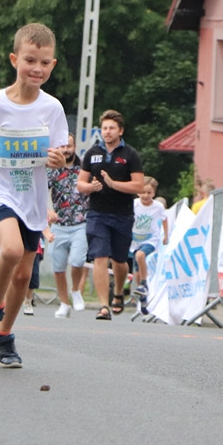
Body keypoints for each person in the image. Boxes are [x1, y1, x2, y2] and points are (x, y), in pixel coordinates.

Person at [0, 22, 68, 368]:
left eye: (44, 63)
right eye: (30, 60)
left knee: (23, 276)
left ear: (53, 65)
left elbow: (63, 150)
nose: (37, 69)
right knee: (12, 248)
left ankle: (4, 334)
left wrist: (61, 158)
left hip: (32, 197)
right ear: (14, 59)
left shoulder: (52, 108)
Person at [78, 109, 144, 320]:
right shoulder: (92, 153)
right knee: (100, 256)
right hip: (97, 213)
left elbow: (139, 185)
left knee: (119, 262)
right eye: (104, 128)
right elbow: (80, 183)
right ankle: (103, 305)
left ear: (120, 131)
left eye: (111, 128)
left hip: (122, 215)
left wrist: (113, 184)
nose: (107, 132)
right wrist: (90, 188)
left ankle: (118, 293)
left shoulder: (130, 155)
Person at [47, 133, 90, 318]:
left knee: (78, 260)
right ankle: (64, 303)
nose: (66, 150)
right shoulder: (51, 169)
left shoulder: (84, 169)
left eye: (69, 146)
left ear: (75, 147)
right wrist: (47, 211)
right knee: (58, 267)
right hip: (59, 224)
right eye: (62, 146)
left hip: (81, 222)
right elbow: (38, 192)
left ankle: (76, 291)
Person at [131, 176, 169, 301]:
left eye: (149, 193)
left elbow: (164, 219)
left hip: (150, 239)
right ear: (137, 192)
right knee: (136, 271)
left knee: (140, 256)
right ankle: (142, 296)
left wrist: (166, 235)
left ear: (154, 193)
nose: (146, 196)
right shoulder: (134, 204)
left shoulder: (158, 206)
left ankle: (144, 283)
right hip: (135, 240)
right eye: (142, 192)